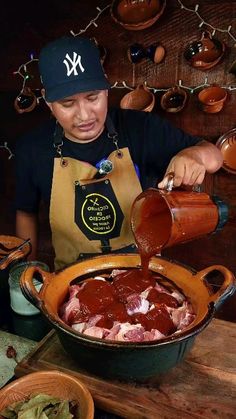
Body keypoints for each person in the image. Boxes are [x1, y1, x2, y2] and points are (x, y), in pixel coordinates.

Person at [15, 36, 223, 270]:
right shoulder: (32, 149)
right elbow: (26, 212)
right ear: (48, 101)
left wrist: (195, 156)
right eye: (67, 103)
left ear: (106, 88)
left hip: (143, 275)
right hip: (69, 282)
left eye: (92, 97)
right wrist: (28, 274)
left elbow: (214, 156)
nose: (84, 115)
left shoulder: (141, 128)